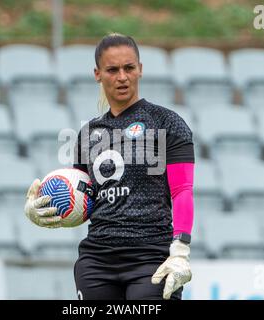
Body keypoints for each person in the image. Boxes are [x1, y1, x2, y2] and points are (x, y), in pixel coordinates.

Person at [24, 33, 195, 300]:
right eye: (112, 70)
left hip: (151, 259)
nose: (122, 76)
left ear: (140, 69)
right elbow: (80, 197)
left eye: (129, 68)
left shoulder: (167, 123)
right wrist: (42, 209)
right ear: (97, 74)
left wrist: (181, 250)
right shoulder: (87, 134)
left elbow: (182, 190)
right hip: (96, 262)